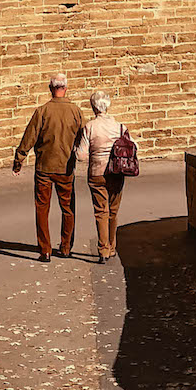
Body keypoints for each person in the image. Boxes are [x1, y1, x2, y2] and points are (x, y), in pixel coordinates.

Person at [12, 72, 84, 261]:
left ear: (50, 89)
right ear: (66, 88)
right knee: (68, 208)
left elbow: (29, 137)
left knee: (42, 208)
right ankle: (66, 246)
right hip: (66, 166)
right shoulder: (75, 111)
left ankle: (45, 249)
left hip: (44, 166)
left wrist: (18, 160)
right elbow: (83, 137)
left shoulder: (42, 111)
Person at [76, 90, 130, 263]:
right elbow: (133, 146)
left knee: (101, 212)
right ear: (108, 106)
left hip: (97, 173)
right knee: (113, 211)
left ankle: (103, 250)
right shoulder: (120, 127)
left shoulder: (90, 127)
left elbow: (81, 156)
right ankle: (112, 247)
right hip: (117, 172)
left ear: (93, 107)